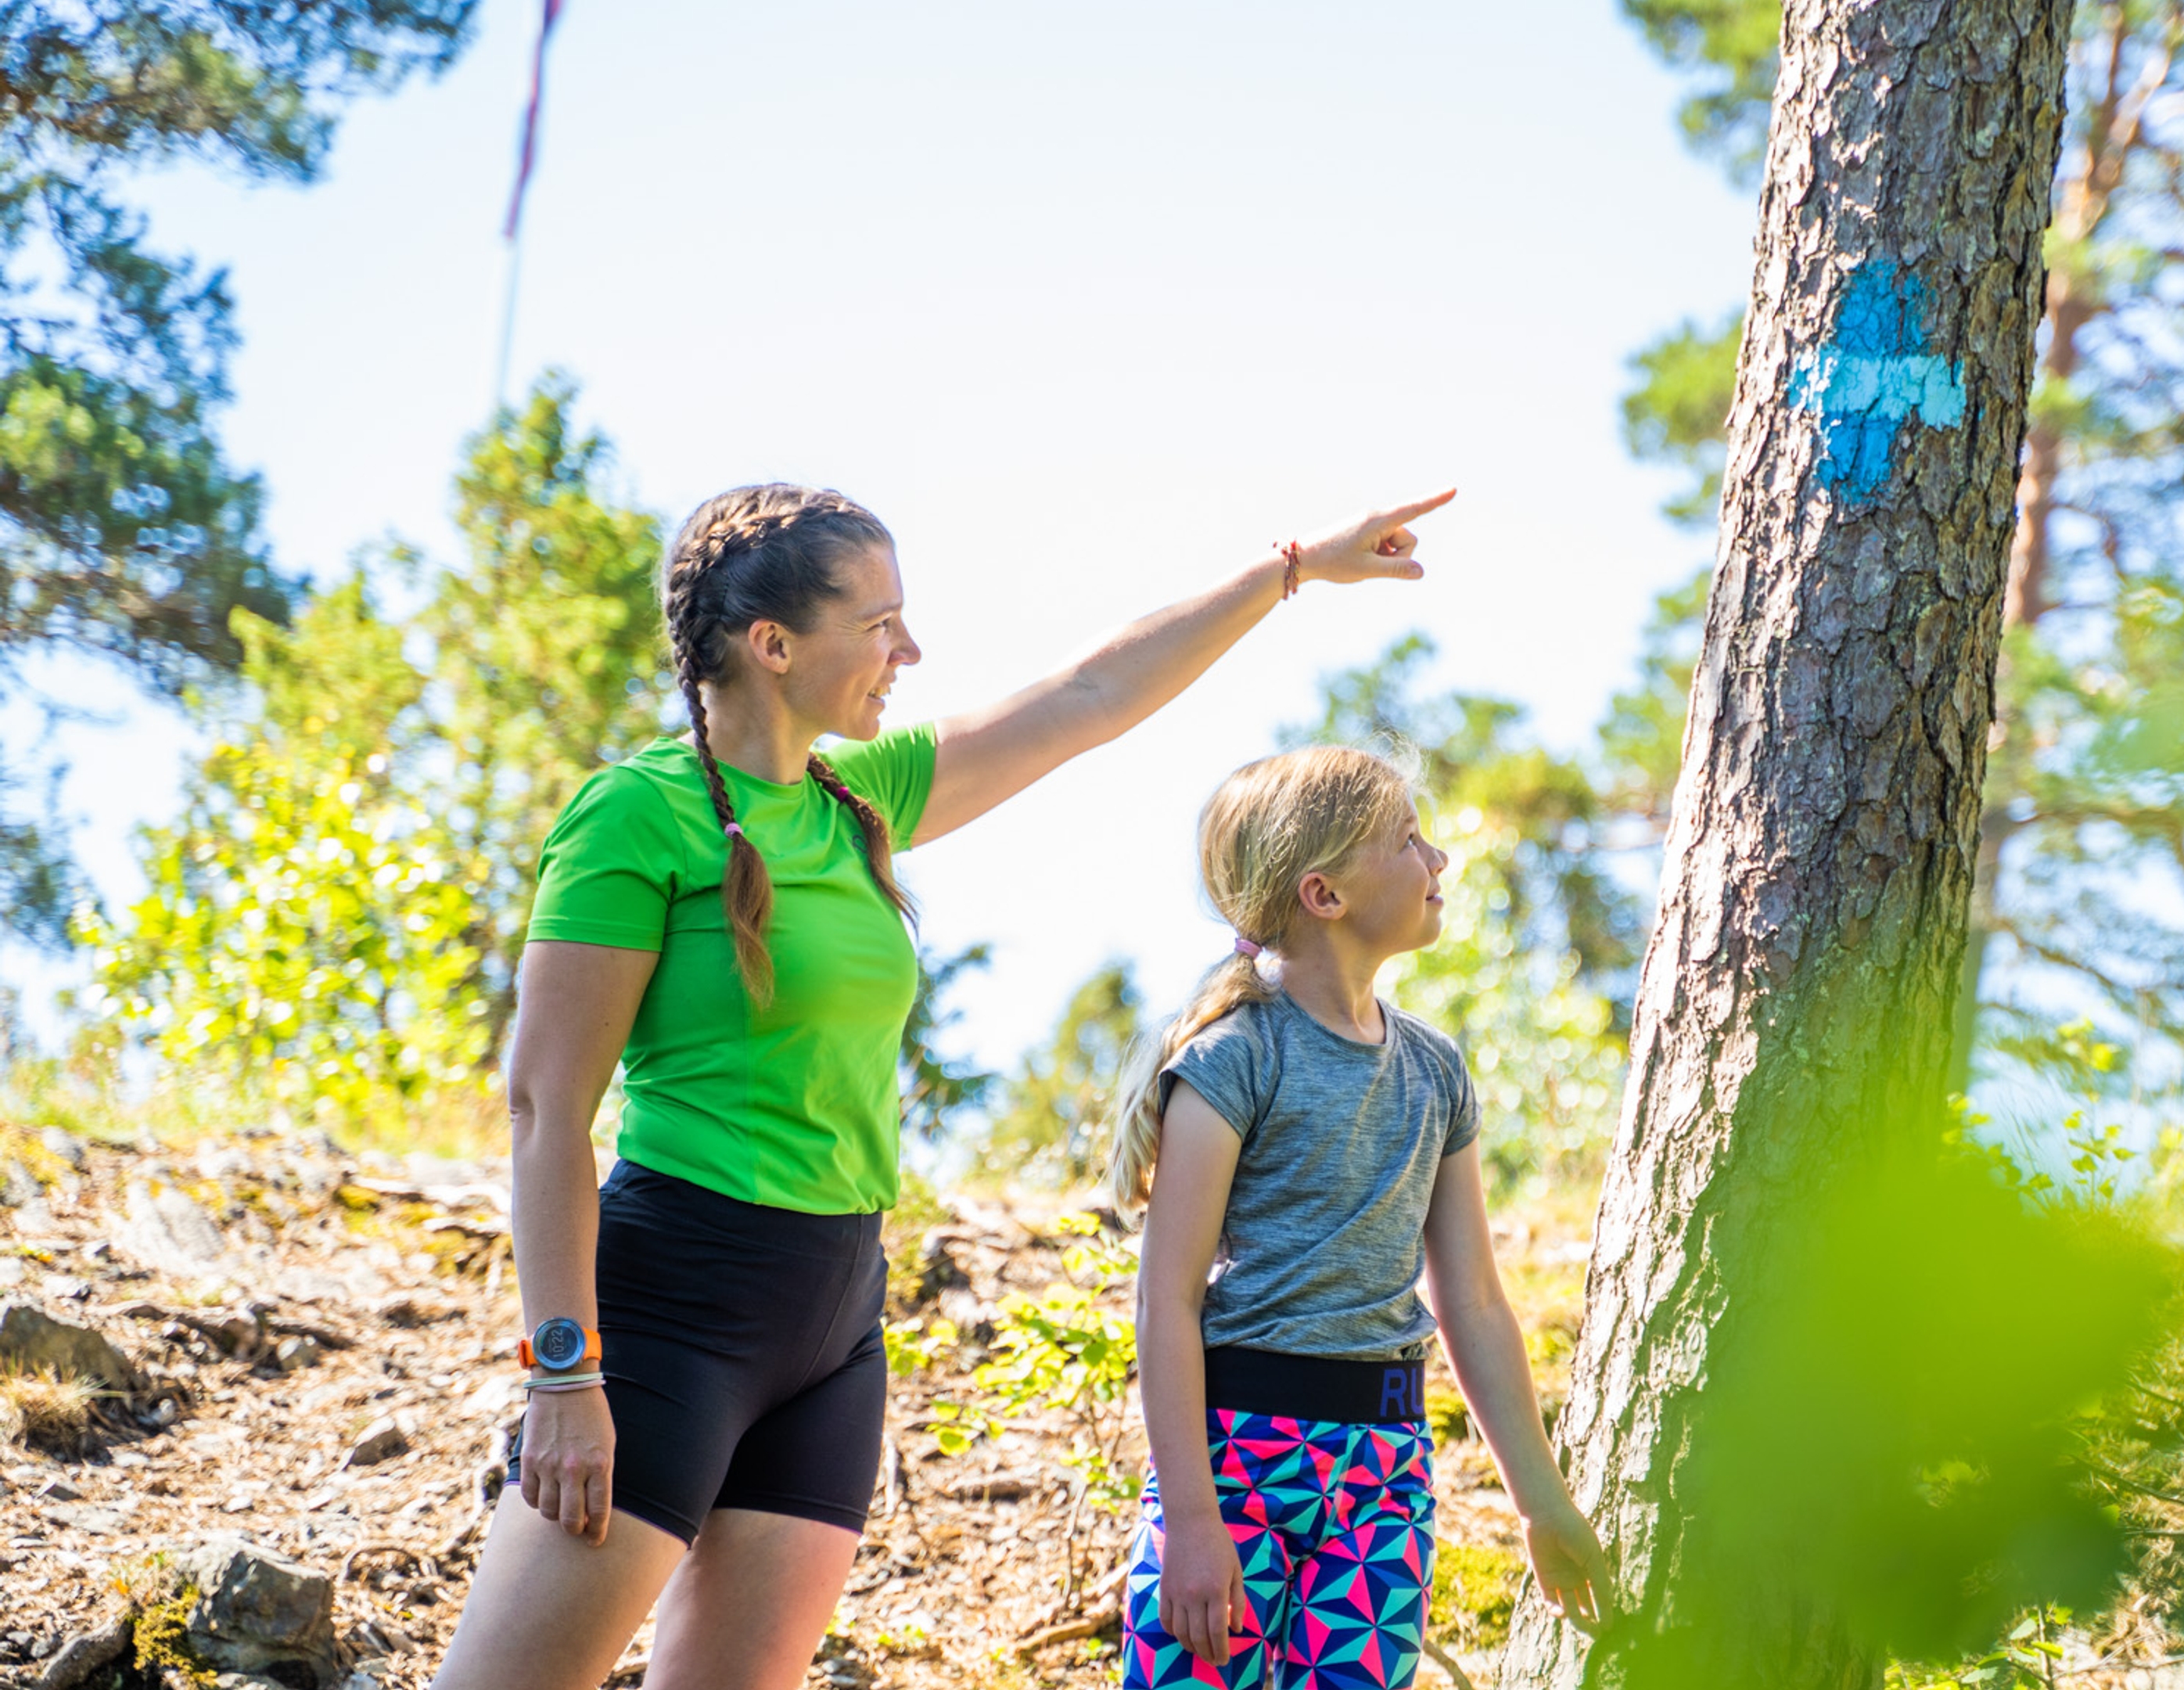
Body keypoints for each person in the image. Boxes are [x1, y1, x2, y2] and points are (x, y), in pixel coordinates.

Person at [431, 482, 1453, 1690]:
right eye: (879, 624)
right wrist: (564, 1367)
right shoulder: (634, 817)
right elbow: (545, 1108)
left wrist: (1289, 569)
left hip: (832, 1324)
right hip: (675, 1307)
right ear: (773, 646)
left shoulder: (860, 802)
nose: (907, 651)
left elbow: (1088, 696)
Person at [1109, 746, 1616, 1689]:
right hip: (1236, 1461)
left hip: (1385, 1472)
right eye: (1409, 840)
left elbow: (1474, 1301)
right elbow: (1166, 1300)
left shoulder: (1436, 1070)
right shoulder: (1233, 1060)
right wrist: (1190, 1520)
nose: (1438, 860)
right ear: (1325, 894)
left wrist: (1539, 1501)